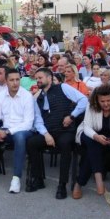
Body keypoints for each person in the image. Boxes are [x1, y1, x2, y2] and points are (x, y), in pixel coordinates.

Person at [26, 68, 88, 199]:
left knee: (65, 143)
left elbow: (83, 100)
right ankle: (38, 179)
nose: (38, 80)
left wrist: (72, 116)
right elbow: (37, 119)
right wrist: (46, 134)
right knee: (32, 143)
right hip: (49, 132)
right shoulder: (38, 97)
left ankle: (62, 184)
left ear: (49, 78)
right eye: (36, 78)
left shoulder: (63, 87)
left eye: (40, 77)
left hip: (65, 130)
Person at [72, 84, 110, 203]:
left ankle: (79, 183)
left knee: (91, 153)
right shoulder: (91, 106)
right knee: (93, 142)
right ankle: (98, 178)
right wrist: (96, 136)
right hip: (88, 135)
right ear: (97, 100)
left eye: (108, 100)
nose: (105, 104)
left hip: (109, 139)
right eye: (102, 101)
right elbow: (87, 128)